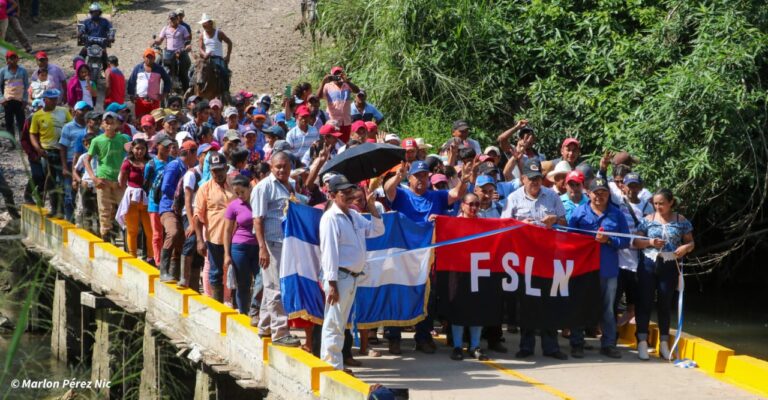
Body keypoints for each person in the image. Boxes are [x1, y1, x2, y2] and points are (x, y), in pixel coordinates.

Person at [383, 160, 470, 354]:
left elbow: (456, 194)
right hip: (402, 255)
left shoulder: (436, 196)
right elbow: (388, 190)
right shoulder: (402, 194)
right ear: (410, 178)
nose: (421, 179)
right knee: (399, 295)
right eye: (417, 175)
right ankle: (394, 338)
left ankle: (423, 337)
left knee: (427, 297)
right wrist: (398, 176)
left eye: (424, 175)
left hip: (427, 257)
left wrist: (463, 181)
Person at [501, 159, 569, 360]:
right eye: (531, 179)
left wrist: (555, 220)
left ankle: (551, 346)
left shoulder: (552, 197)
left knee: (550, 303)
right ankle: (527, 346)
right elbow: (504, 227)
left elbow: (565, 224)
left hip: (548, 258)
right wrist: (521, 224)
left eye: (538, 178)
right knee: (527, 304)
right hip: (524, 260)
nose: (534, 182)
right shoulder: (513, 198)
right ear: (523, 179)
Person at [319, 174, 384, 371]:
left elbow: (377, 230)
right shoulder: (330, 218)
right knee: (334, 324)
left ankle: (335, 364)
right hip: (339, 277)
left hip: (351, 277)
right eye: (343, 192)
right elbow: (329, 251)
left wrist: (372, 206)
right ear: (331, 195)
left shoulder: (353, 215)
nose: (348, 196)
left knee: (340, 323)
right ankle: (332, 366)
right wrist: (331, 283)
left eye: (350, 191)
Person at [567, 177, 630, 359]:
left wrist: (608, 240)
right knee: (580, 306)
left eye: (603, 193)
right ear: (589, 193)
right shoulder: (579, 213)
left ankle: (608, 344)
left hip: (607, 270)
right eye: (596, 193)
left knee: (608, 309)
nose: (599, 196)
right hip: (584, 269)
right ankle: (577, 343)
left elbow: (626, 241)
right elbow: (570, 240)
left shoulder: (617, 214)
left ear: (608, 194)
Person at [632, 188, 694, 361]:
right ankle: (642, 342)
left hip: (670, 264)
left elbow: (691, 242)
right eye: (655, 203)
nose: (658, 207)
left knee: (665, 304)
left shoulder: (680, 220)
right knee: (644, 302)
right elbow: (636, 242)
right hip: (649, 263)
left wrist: (685, 248)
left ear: (671, 203)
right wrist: (650, 242)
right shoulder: (647, 220)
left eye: (662, 203)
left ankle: (664, 344)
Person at [250, 152, 302, 347]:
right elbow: (257, 219)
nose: (281, 170)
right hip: (271, 244)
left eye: (285, 167)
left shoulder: (291, 186)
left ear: (290, 167)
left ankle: (265, 326)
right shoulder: (264, 188)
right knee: (275, 289)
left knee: (271, 286)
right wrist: (262, 248)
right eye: (278, 166)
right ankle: (280, 332)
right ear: (271, 167)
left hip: (286, 244)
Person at [445, 192, 491, 361]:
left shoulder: (484, 224)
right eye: (470, 204)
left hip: (478, 270)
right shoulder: (453, 223)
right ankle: (457, 346)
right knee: (458, 307)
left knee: (476, 308)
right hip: (457, 272)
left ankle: (475, 346)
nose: (473, 208)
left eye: (477, 205)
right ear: (462, 205)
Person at [194, 151, 235, 301]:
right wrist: (199, 240)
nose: (217, 173)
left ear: (226, 168)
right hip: (214, 237)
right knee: (215, 271)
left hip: (235, 237)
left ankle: (230, 301)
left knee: (234, 270)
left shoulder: (234, 184)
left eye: (220, 169)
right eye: (214, 170)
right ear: (210, 171)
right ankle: (215, 302)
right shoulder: (204, 188)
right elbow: (197, 216)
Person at [84, 112, 129, 241]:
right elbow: (87, 160)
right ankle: (106, 237)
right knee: (104, 210)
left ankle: (125, 237)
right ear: (102, 124)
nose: (109, 125)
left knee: (123, 208)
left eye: (112, 122)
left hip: (119, 179)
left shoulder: (123, 139)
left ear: (117, 124)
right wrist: (94, 178)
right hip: (103, 178)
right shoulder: (97, 140)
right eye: (106, 122)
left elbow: (131, 155)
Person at [157, 140, 197, 281]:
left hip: (181, 210)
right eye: (195, 153)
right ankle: (163, 270)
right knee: (173, 232)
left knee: (181, 238)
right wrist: (180, 196)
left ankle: (173, 273)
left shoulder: (188, 168)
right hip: (168, 207)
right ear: (189, 153)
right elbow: (165, 187)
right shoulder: (174, 166)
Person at [29, 89, 72, 218]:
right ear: (45, 100)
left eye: (55, 99)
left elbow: (70, 127)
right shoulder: (37, 115)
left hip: (62, 150)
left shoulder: (63, 112)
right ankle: (54, 209)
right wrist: (38, 149)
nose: (54, 101)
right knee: (51, 180)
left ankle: (64, 211)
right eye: (51, 99)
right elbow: (33, 133)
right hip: (47, 151)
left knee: (62, 181)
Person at [223, 174, 260, 314]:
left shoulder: (258, 202)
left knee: (261, 281)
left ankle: (256, 310)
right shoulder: (233, 206)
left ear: (250, 188)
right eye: (237, 193)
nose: (240, 196)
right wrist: (227, 254)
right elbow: (227, 231)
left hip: (258, 247)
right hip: (240, 247)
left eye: (242, 192)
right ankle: (244, 313)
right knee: (243, 284)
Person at [178, 144, 209, 291]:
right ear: (199, 156)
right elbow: (188, 200)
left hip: (204, 215)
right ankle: (184, 277)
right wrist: (191, 223)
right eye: (205, 154)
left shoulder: (210, 174)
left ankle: (195, 284)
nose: (208, 156)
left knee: (201, 247)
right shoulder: (192, 174)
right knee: (191, 240)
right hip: (190, 213)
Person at [117, 139, 153, 259]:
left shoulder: (150, 162)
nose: (139, 151)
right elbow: (121, 182)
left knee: (150, 231)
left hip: (147, 201)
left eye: (142, 149)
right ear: (132, 149)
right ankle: (132, 256)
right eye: (137, 148)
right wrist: (126, 198)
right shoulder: (127, 163)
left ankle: (150, 257)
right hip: (131, 200)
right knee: (132, 231)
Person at [59, 101, 92, 221]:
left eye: (87, 110)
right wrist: (64, 166)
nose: (85, 113)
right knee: (69, 193)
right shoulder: (68, 127)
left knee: (87, 194)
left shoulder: (92, 127)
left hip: (89, 163)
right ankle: (69, 220)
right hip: (70, 162)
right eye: (82, 110)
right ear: (74, 111)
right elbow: (62, 147)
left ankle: (85, 222)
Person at [317, 66, 359, 142]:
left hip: (346, 121)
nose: (338, 76)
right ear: (332, 76)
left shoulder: (347, 85)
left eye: (339, 73)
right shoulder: (328, 86)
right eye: (335, 74)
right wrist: (323, 82)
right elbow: (318, 97)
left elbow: (357, 91)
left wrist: (347, 81)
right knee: (334, 143)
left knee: (344, 143)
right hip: (333, 121)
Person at [152, 11, 191, 92]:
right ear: (168, 20)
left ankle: (186, 91)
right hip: (168, 53)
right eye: (170, 19)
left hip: (180, 52)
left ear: (177, 19)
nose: (172, 21)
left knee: (183, 69)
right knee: (157, 62)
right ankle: (154, 85)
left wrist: (187, 46)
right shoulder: (165, 29)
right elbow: (160, 40)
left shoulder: (183, 28)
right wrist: (155, 42)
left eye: (174, 19)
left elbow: (187, 40)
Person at [128, 48, 172, 119]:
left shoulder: (159, 69)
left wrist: (164, 94)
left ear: (154, 58)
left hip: (154, 102)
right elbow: (131, 81)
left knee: (154, 122)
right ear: (143, 57)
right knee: (140, 122)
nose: (149, 59)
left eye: (151, 57)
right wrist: (131, 94)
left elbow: (167, 81)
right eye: (147, 57)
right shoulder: (138, 68)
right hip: (140, 102)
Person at [198, 13, 233, 93]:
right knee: (193, 70)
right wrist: (204, 54)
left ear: (210, 23)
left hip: (218, 57)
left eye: (205, 23)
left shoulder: (219, 33)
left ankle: (226, 92)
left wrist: (228, 56)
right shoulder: (202, 35)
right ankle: (191, 88)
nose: (203, 25)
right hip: (206, 58)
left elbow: (229, 42)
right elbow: (200, 48)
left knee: (224, 72)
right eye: (203, 24)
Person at [72, 134, 99, 231]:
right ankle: (89, 231)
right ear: (85, 145)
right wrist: (80, 181)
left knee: (100, 210)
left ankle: (101, 233)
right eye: (88, 144)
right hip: (87, 184)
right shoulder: (83, 157)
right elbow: (75, 170)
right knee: (87, 210)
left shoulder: (101, 156)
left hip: (99, 184)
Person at [0, 50, 28, 141]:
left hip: (19, 101)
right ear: (7, 60)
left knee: (21, 122)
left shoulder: (23, 71)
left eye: (14, 58)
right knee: (9, 122)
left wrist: (25, 99)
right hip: (7, 101)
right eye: (10, 58)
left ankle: (23, 142)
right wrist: (2, 99)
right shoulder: (3, 71)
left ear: (17, 59)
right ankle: (12, 142)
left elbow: (26, 85)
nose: (13, 60)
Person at [78, 2, 113, 71]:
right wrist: (80, 33)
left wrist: (111, 36)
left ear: (100, 12)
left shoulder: (105, 21)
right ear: (90, 12)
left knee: (105, 60)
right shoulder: (86, 22)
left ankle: (107, 75)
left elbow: (110, 29)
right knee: (79, 57)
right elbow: (82, 29)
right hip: (89, 44)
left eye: (97, 12)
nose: (95, 13)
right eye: (93, 12)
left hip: (102, 45)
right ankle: (78, 70)